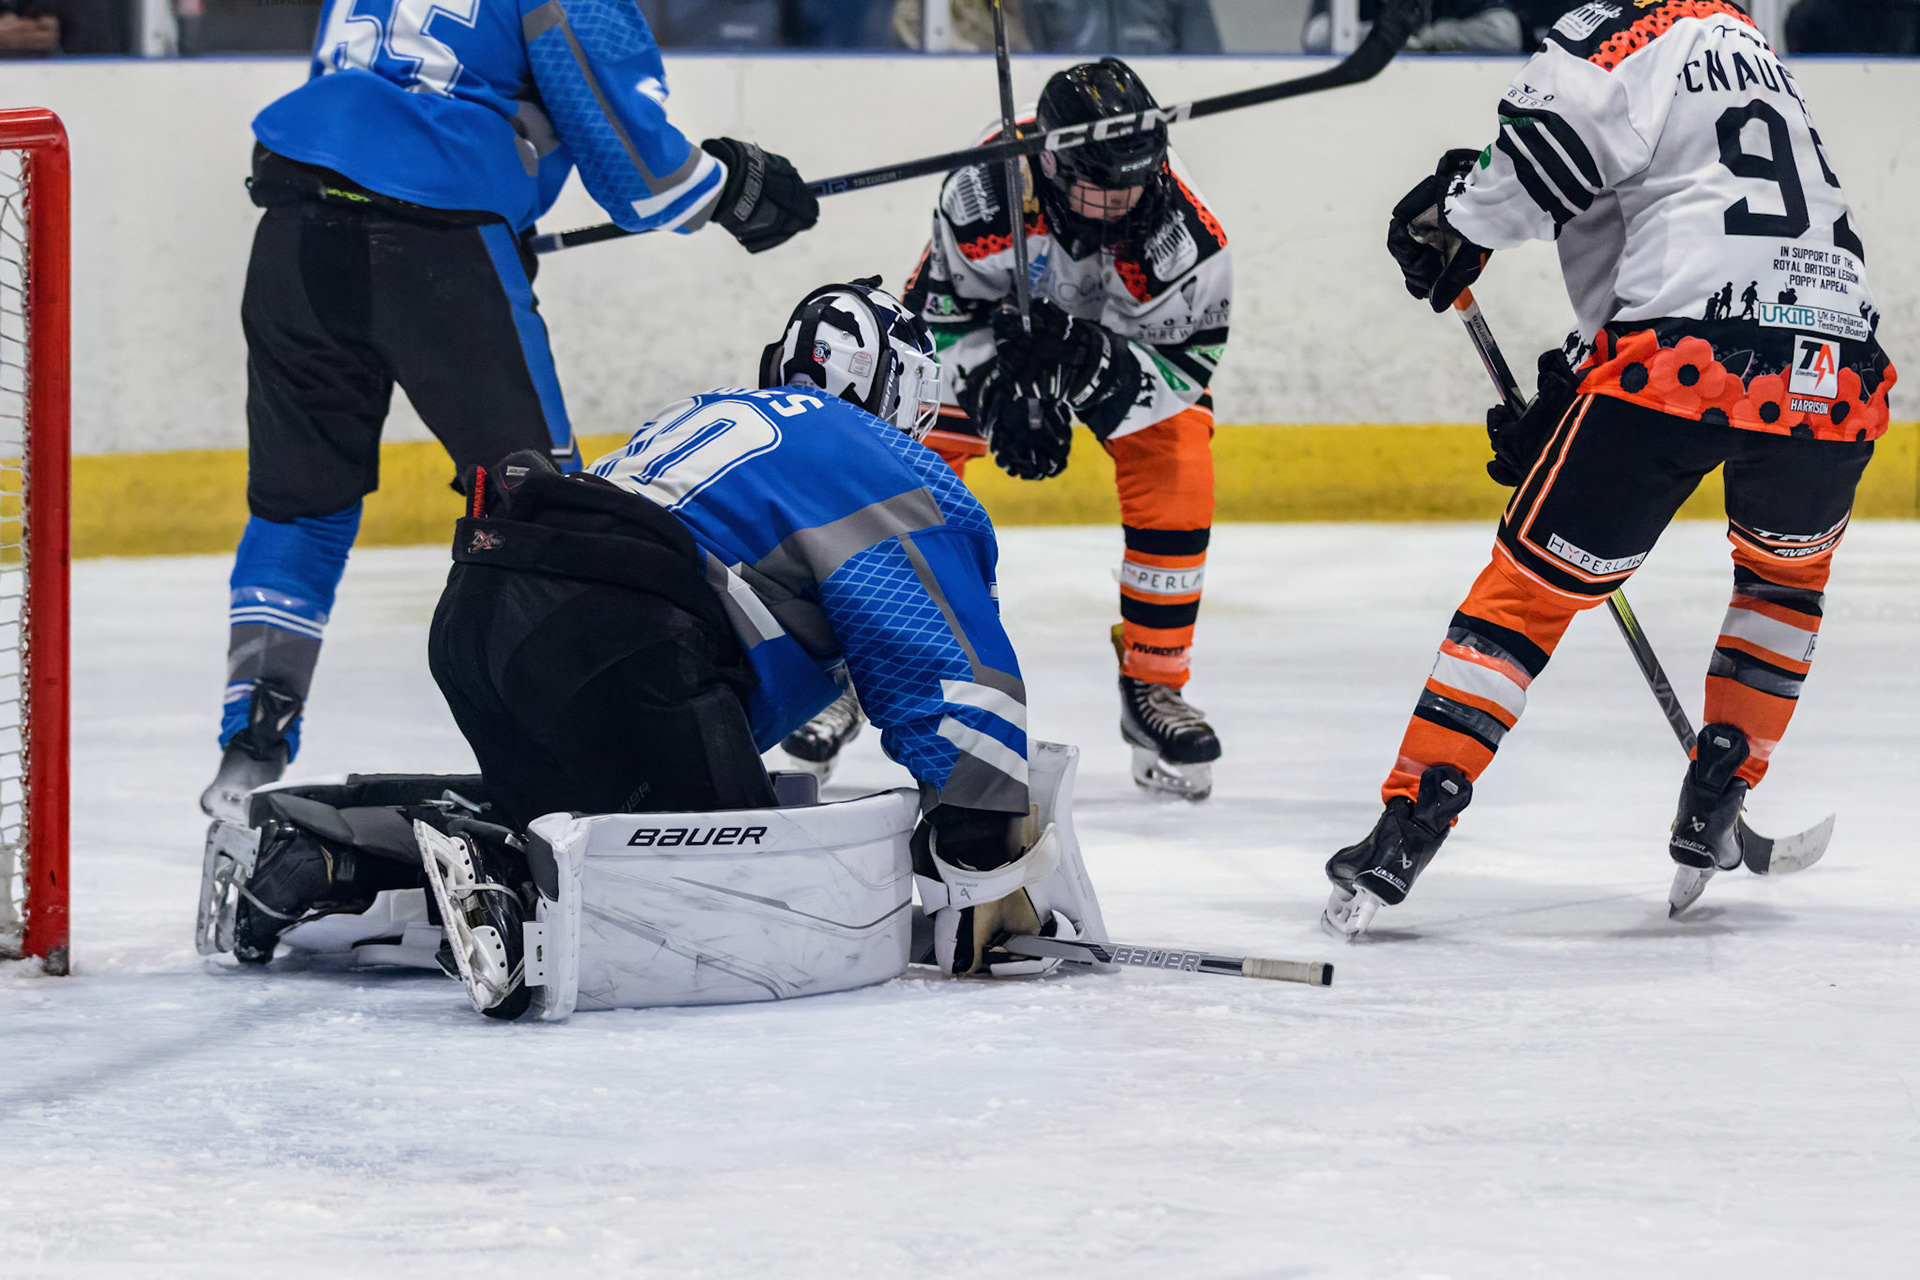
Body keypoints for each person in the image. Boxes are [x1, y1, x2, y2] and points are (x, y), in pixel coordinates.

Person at [207, 282, 1099, 1017]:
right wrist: (980, 843)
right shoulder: (881, 459)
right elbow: (943, 659)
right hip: (623, 634)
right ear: (899, 390)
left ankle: (330, 849)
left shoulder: (712, 414)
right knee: (726, 893)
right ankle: (504, 873)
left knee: (590, 824)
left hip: (484, 610)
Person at [1325, 0, 1898, 938]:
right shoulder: (1753, 49)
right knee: (1783, 583)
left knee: (1526, 599)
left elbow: (1536, 170)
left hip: (1683, 361)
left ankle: (1407, 828)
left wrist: (1456, 216)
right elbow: (1697, 228)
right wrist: (1573, 389)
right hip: (1836, 372)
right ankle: (1719, 794)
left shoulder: (1617, 29)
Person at [198, 0, 819, 823]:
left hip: (294, 220)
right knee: (544, 511)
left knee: (301, 503)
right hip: (438, 236)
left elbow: (383, 94)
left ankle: (251, 741)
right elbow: (643, 180)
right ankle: (597, 762)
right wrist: (736, 188)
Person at [791, 59, 1232, 801]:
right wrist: (998, 398)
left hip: (1121, 345)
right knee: (903, 460)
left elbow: (1184, 367)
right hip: (991, 332)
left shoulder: (1189, 237)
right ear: (1053, 166)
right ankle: (839, 669)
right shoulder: (980, 192)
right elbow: (936, 326)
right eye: (1102, 187)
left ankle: (1155, 678)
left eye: (1136, 182)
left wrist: (1082, 368)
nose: (1124, 204)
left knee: (1178, 458)